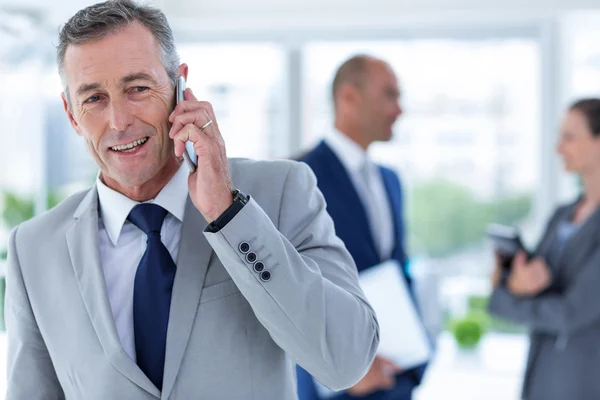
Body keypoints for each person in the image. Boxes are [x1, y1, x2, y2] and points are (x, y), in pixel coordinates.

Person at [4, 2, 380, 399]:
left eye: (138, 89)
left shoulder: (281, 190)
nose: (119, 121)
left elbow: (347, 360)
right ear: (70, 113)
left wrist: (228, 213)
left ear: (180, 87)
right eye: (94, 98)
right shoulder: (34, 249)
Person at [296, 55, 428, 400]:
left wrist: (417, 357)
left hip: (396, 374)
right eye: (389, 95)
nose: (399, 110)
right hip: (339, 382)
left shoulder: (391, 181)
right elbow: (286, 287)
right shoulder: (297, 176)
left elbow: (396, 270)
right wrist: (335, 375)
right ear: (349, 97)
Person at [488, 98, 600, 400]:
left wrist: (503, 296)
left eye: (569, 137)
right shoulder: (562, 214)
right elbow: (531, 282)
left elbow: (570, 313)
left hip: (583, 383)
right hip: (543, 376)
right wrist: (512, 278)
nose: (558, 148)